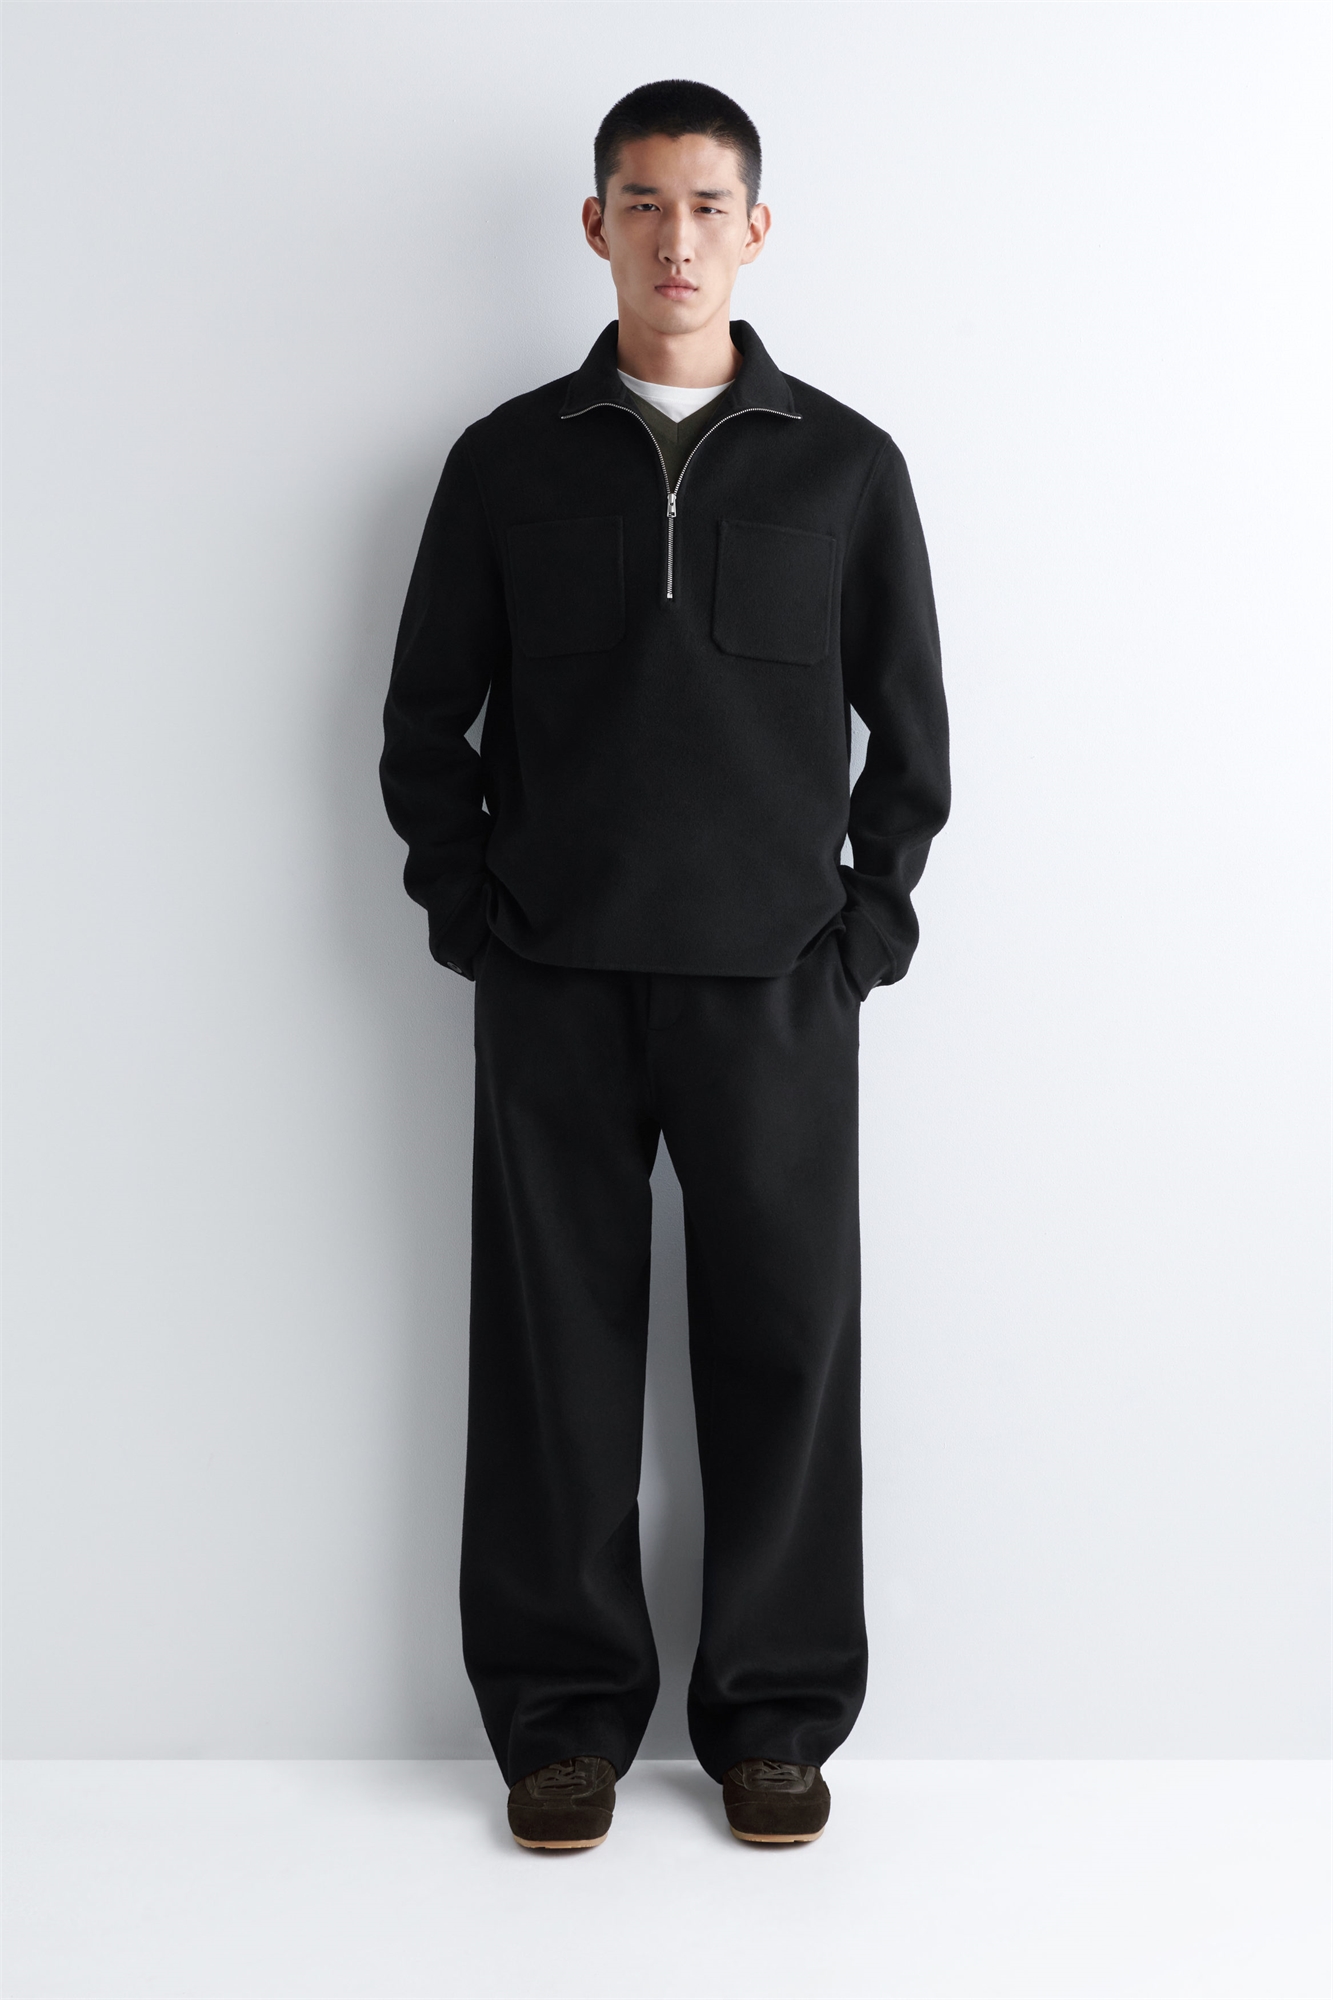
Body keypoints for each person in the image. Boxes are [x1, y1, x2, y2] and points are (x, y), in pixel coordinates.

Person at [379, 78, 950, 1851]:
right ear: (596, 227)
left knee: (786, 1352)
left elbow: (911, 740)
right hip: (554, 978)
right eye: (643, 204)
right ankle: (560, 1725)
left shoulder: (845, 467)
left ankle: (774, 1720)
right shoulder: (506, 460)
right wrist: (472, 918)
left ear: (754, 230)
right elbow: (423, 723)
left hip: (776, 984)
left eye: (707, 207)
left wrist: (862, 935)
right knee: (553, 1357)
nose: (675, 239)